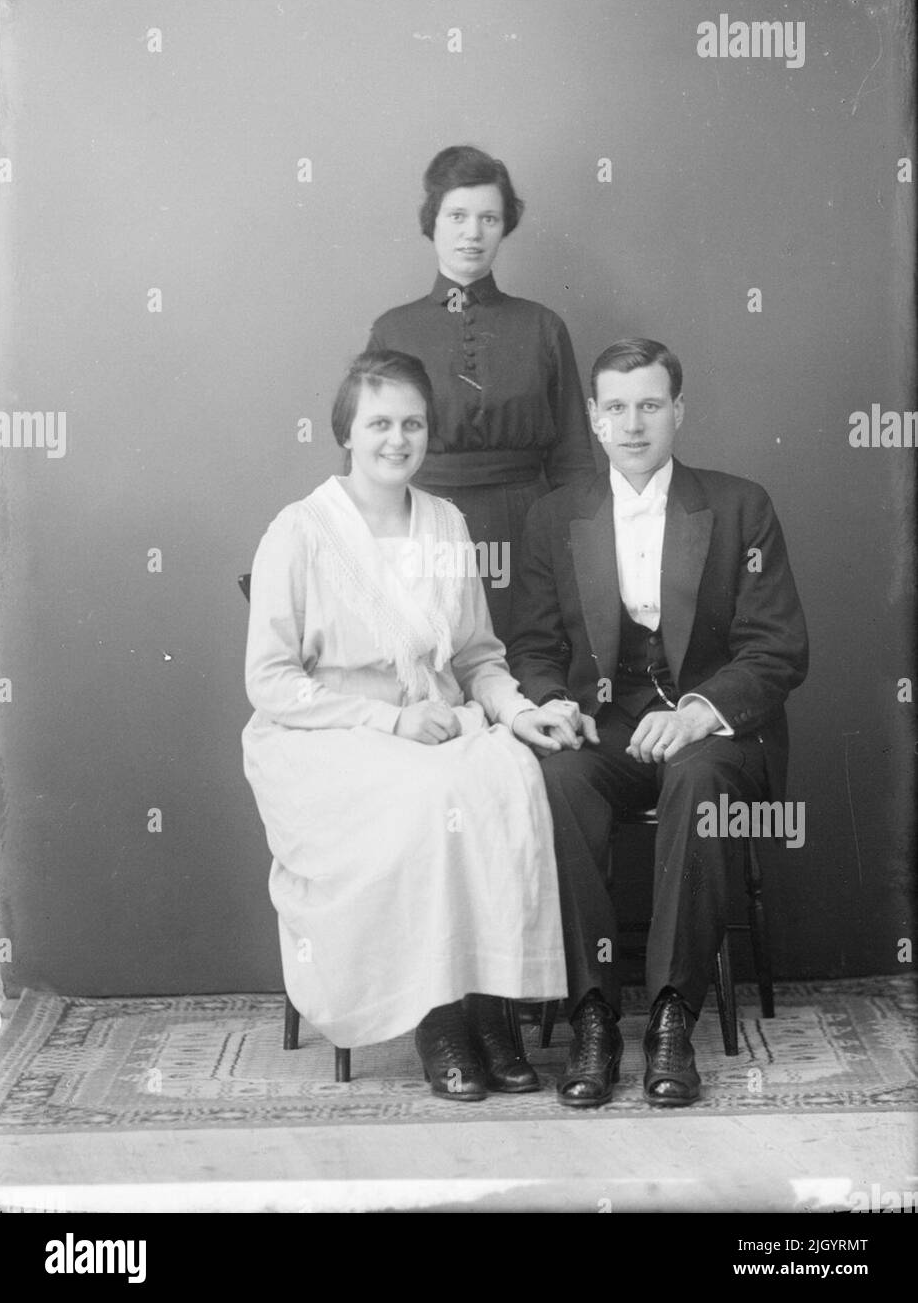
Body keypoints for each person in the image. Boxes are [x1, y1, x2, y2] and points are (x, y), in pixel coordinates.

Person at [242, 349, 574, 1102]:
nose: (398, 439)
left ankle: (491, 1006)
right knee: (428, 804)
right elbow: (268, 681)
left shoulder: (446, 523)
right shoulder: (298, 532)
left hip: (438, 723)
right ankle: (439, 1017)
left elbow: (479, 656)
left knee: (509, 777)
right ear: (347, 433)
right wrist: (387, 719)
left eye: (413, 424)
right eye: (380, 423)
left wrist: (521, 712)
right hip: (326, 736)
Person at [507, 338, 809, 1108]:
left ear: (677, 411)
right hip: (604, 725)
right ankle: (593, 1017)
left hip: (712, 732)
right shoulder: (554, 517)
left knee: (699, 775)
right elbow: (535, 647)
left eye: (649, 405)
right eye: (615, 407)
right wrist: (550, 704)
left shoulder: (739, 505)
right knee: (557, 777)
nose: (632, 423)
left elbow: (777, 648)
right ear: (593, 417)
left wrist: (702, 711)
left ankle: (673, 1016)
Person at [366, 145, 596, 645]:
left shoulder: (542, 327)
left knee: (522, 668)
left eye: (489, 218)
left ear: (504, 226)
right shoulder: (393, 330)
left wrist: (576, 552)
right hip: (420, 522)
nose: (473, 233)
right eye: (458, 216)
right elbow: (364, 459)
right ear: (433, 221)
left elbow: (574, 458)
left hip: (523, 526)